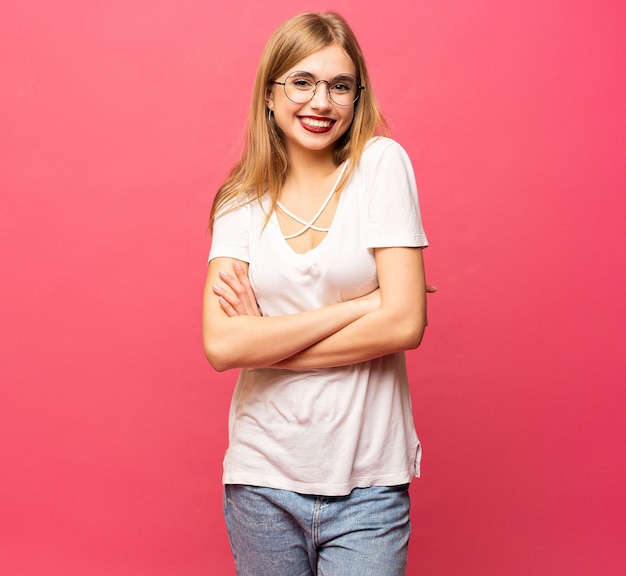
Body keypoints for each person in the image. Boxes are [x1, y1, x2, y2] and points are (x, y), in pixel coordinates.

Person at [203, 11, 433, 576]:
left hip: (369, 482)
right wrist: (361, 306)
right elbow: (221, 346)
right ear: (270, 94)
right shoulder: (240, 201)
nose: (320, 102)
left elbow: (404, 324)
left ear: (357, 97)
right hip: (260, 481)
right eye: (301, 82)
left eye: (339, 86)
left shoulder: (380, 166)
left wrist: (268, 344)